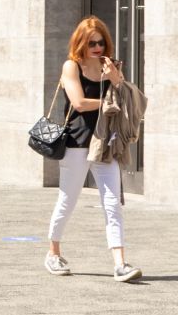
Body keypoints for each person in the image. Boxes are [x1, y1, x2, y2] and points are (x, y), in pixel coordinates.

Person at [46, 16, 141, 283]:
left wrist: (116, 80)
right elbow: (78, 103)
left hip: (105, 143)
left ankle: (120, 263)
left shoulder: (110, 66)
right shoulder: (71, 66)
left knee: (112, 202)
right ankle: (53, 253)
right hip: (77, 143)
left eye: (101, 43)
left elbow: (125, 98)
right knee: (68, 199)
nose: (97, 48)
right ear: (81, 43)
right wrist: (108, 102)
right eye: (91, 43)